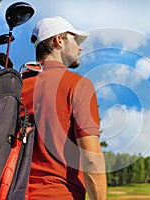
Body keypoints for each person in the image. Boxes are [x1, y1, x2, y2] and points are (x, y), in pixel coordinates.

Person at [21, 16, 107, 200]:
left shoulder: (15, 85)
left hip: (12, 193)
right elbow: (91, 158)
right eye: (75, 39)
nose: (80, 47)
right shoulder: (78, 85)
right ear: (59, 40)